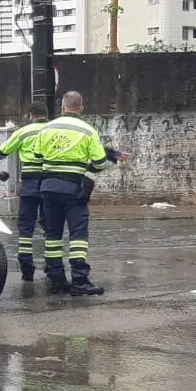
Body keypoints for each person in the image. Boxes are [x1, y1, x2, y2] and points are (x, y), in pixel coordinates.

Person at [31, 91, 130, 296]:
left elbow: (37, 155)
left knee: (52, 236)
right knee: (77, 236)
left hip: (48, 187)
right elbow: (100, 162)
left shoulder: (47, 127)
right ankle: (79, 280)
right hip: (73, 189)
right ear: (81, 108)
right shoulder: (87, 130)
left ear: (62, 107)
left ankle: (56, 281)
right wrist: (85, 171)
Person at [0, 101, 52, 281]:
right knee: (50, 225)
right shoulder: (54, 130)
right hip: (49, 183)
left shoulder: (22, 132)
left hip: (30, 184)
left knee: (25, 227)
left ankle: (27, 268)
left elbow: (1, 151)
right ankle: (51, 265)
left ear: (31, 115)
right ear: (45, 114)